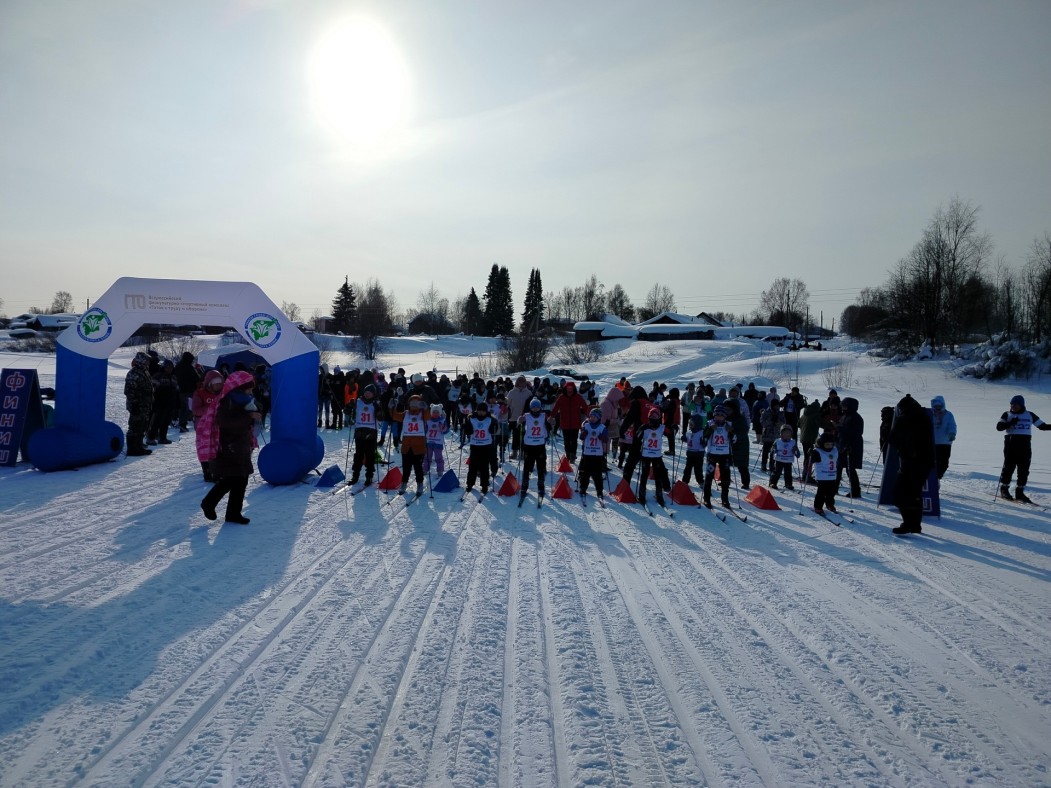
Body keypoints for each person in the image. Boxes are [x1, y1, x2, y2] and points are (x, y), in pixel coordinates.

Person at [200, 371, 261, 524]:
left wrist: (253, 417)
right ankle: (209, 503)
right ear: (240, 388)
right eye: (248, 388)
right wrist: (249, 417)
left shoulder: (243, 400)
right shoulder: (227, 401)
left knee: (241, 480)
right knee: (230, 479)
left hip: (240, 445)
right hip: (230, 446)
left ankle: (233, 513)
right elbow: (225, 422)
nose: (250, 392)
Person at [889, 394, 935, 533]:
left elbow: (892, 440)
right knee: (915, 493)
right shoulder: (925, 417)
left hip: (909, 462)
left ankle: (909, 523)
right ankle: (915, 524)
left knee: (899, 494)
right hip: (926, 462)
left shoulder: (904, 419)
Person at [996, 394, 1051, 503]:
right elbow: (999, 427)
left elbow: (1042, 426)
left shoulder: (1030, 415)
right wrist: (1010, 423)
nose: (1013, 407)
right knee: (1009, 467)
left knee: (1024, 469)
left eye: (1016, 405)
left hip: (1025, 445)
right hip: (1010, 444)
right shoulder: (1007, 414)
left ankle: (1019, 492)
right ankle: (1004, 489)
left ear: (1021, 405)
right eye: (1012, 404)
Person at [518, 398, 553, 503]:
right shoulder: (527, 415)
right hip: (529, 445)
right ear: (530, 407)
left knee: (541, 466)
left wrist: (552, 422)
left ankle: (541, 486)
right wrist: (519, 420)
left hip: (540, 445)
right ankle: (524, 485)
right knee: (527, 466)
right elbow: (519, 422)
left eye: (537, 406)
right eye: (533, 406)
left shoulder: (544, 416)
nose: (535, 408)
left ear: (540, 407)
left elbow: (549, 427)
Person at [193, 370, 225, 481]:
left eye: (220, 381)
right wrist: (210, 408)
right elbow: (195, 410)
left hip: (217, 426)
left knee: (217, 447)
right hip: (203, 427)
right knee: (204, 448)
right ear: (209, 383)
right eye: (216, 382)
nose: (219, 384)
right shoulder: (200, 393)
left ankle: (216, 470)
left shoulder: (223, 394)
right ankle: (206, 471)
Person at [392, 394, 428, 495]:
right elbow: (395, 416)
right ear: (409, 404)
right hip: (407, 445)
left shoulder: (422, 413)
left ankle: (420, 484)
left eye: (417, 403)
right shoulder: (406, 414)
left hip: (418, 445)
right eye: (412, 403)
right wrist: (392, 407)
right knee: (406, 466)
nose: (414, 405)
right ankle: (404, 483)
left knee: (418, 467)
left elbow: (428, 416)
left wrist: (425, 408)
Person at [124, 351, 154, 457]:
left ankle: (139, 446)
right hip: (137, 405)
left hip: (145, 404)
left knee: (142, 426)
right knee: (134, 426)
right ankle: (132, 449)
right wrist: (135, 403)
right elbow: (129, 390)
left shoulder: (144, 371)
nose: (148, 363)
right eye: (146, 360)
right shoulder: (134, 373)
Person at [550, 381, 588, 464]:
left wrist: (590, 416)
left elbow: (585, 407)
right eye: (568, 388)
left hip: (575, 423)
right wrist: (551, 416)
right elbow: (556, 407)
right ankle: (568, 455)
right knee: (566, 440)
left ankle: (573, 455)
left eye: (571, 388)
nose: (569, 390)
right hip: (565, 422)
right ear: (565, 388)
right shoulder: (561, 397)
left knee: (574, 440)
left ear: (574, 388)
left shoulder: (578, 397)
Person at [702, 406, 733, 508]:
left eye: (721, 415)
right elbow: (703, 438)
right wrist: (711, 429)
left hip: (725, 455)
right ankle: (706, 498)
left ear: (724, 416)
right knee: (709, 476)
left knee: (725, 478)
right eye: (717, 415)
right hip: (712, 454)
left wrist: (731, 432)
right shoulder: (710, 423)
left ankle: (725, 499)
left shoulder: (729, 425)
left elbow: (735, 440)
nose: (719, 417)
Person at [637, 409, 669, 505]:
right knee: (644, 475)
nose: (652, 419)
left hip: (657, 456)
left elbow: (671, 434)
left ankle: (659, 496)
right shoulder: (645, 427)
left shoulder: (662, 428)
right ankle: (642, 496)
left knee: (658, 476)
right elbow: (637, 437)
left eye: (655, 417)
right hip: (646, 455)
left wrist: (674, 428)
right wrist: (641, 429)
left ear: (659, 418)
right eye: (651, 416)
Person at [350, 385, 380, 486]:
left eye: (369, 392)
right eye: (366, 392)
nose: (367, 394)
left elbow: (382, 417)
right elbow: (347, 412)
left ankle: (369, 475)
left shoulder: (376, 403)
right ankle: (355, 475)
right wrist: (349, 406)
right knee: (358, 455)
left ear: (373, 394)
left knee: (370, 455)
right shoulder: (358, 402)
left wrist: (378, 410)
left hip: (371, 432)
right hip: (360, 432)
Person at [465, 400, 496, 495]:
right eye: (479, 410)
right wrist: (466, 428)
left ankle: (484, 484)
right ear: (476, 410)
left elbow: (494, 429)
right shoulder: (471, 418)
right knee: (473, 466)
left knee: (484, 466)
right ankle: (470, 483)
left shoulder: (490, 419)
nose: (481, 412)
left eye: (483, 411)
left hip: (486, 446)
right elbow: (468, 430)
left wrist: (494, 426)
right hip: (475, 445)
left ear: (486, 411)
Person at [577, 407, 609, 498]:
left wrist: (602, 437)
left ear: (599, 418)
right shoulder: (586, 426)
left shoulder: (602, 427)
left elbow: (606, 440)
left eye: (594, 417)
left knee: (597, 474)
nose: (592, 418)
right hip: (587, 453)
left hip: (598, 454)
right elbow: (581, 437)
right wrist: (584, 434)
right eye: (591, 416)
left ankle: (599, 490)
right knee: (585, 473)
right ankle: (583, 488)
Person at [836, 397, 864, 499]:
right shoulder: (844, 416)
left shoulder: (856, 418)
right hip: (842, 444)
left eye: (844, 406)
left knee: (850, 469)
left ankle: (856, 491)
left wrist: (840, 428)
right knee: (838, 467)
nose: (842, 407)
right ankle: (834, 488)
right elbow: (842, 429)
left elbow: (856, 433)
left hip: (852, 446)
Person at [147, 360, 179, 445]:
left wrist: (176, 403)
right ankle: (151, 438)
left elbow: (177, 391)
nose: (169, 369)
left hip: (170, 403)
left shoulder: (174, 378)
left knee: (166, 422)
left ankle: (163, 438)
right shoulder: (158, 376)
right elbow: (152, 390)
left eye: (171, 367)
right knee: (156, 421)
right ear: (163, 367)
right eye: (167, 367)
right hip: (159, 403)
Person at [810, 432, 839, 516]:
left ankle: (829, 504)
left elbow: (840, 451)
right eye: (827, 444)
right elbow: (812, 460)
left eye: (831, 444)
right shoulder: (818, 451)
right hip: (822, 476)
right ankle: (818, 506)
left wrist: (846, 448)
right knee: (821, 492)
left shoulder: (834, 450)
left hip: (832, 476)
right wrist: (811, 454)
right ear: (822, 444)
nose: (829, 446)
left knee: (831, 492)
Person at [930, 395, 957, 479]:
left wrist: (952, 433)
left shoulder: (948, 415)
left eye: (939, 406)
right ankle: (932, 479)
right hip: (932, 443)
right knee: (932, 462)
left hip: (945, 443)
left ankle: (937, 477)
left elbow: (952, 425)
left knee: (944, 463)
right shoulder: (930, 414)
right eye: (935, 406)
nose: (937, 408)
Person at [174, 351, 199, 432]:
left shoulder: (177, 366)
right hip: (189, 390)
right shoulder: (189, 367)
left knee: (182, 408)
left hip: (179, 390)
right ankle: (184, 424)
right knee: (188, 408)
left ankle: (181, 423)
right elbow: (196, 378)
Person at [769, 425, 800, 489]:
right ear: (781, 435)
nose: (786, 437)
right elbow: (772, 449)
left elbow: (798, 454)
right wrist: (774, 450)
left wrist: (796, 451)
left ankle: (788, 484)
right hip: (779, 459)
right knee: (777, 472)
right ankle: (773, 483)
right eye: (785, 435)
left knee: (788, 473)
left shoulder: (793, 442)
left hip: (788, 460)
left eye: (788, 436)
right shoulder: (778, 441)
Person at [681, 413, 706, 489]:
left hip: (698, 454)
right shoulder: (689, 432)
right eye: (690, 424)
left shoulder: (701, 432)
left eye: (692, 424)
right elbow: (689, 440)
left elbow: (705, 443)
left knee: (698, 469)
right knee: (687, 468)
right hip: (690, 453)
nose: (690, 426)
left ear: (697, 424)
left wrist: (704, 442)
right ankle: (685, 481)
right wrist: (684, 439)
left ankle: (701, 481)